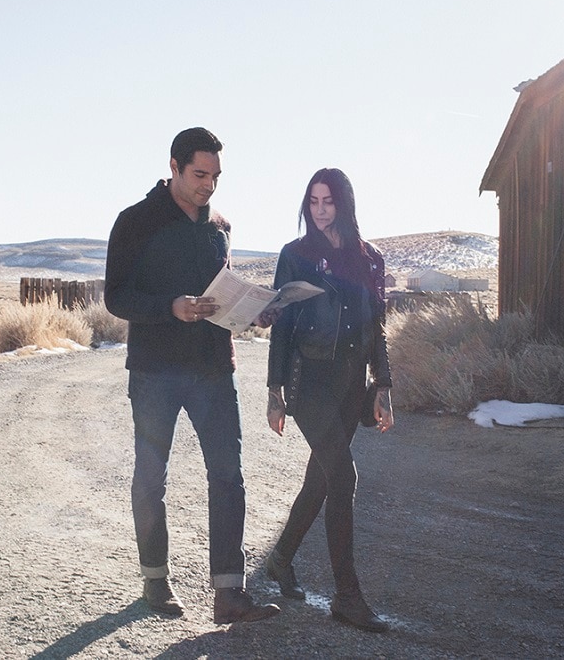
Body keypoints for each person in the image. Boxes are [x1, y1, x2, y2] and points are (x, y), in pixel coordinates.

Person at [104, 127, 280, 625]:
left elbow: (221, 293)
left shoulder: (220, 225)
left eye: (216, 176)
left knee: (228, 476)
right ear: (174, 167)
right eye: (200, 174)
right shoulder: (135, 222)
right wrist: (170, 307)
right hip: (155, 372)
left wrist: (250, 314)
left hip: (212, 371)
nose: (209, 186)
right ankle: (155, 581)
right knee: (150, 478)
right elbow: (115, 297)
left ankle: (229, 594)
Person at [264, 168, 394, 633]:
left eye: (328, 201)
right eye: (313, 202)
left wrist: (383, 386)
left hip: (350, 385)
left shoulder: (370, 258)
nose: (319, 211)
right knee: (342, 476)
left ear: (344, 203)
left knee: (320, 479)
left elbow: (376, 327)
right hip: (308, 383)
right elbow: (280, 324)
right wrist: (274, 392)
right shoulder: (295, 255)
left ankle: (280, 559)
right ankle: (348, 597)